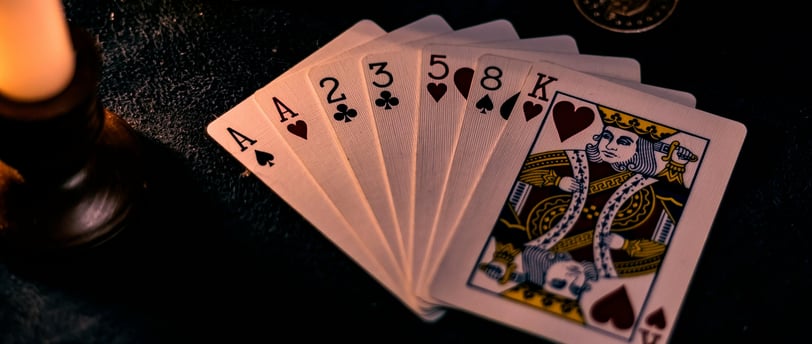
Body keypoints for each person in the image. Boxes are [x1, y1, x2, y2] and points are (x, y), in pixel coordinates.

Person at [477, 106, 696, 324]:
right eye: (607, 137)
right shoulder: (616, 264)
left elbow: (512, 173)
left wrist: (554, 181)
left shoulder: (526, 236)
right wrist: (626, 246)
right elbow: (672, 234)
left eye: (623, 141)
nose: (610, 146)